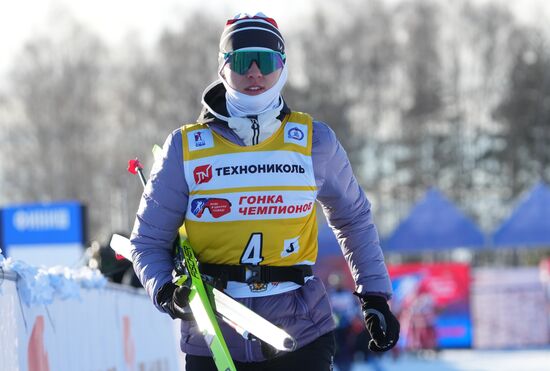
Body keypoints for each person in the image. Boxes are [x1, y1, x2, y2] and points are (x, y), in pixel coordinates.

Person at [130, 12, 399, 371]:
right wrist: (166, 292)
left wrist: (375, 296)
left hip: (301, 332)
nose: (254, 72)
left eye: (266, 60)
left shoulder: (315, 141)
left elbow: (354, 218)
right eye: (241, 60)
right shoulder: (186, 147)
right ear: (223, 68)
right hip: (214, 336)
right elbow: (147, 240)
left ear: (282, 66)